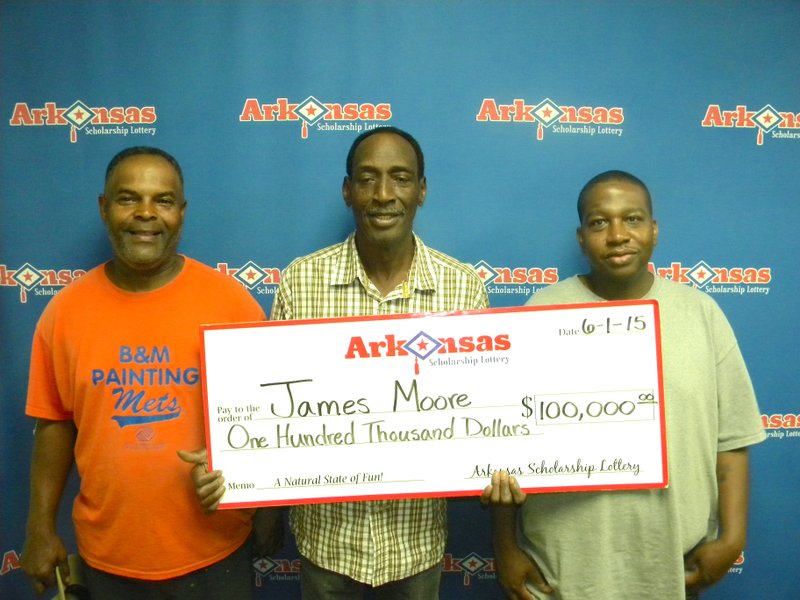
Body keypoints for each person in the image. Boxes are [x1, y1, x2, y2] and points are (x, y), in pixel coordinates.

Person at [191, 126, 489, 598]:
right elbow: (270, 407)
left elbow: (484, 409)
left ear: (422, 190)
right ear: (347, 191)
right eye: (367, 179)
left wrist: (502, 462)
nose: (384, 194)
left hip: (415, 542)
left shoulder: (463, 288)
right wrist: (261, 500)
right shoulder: (301, 281)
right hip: (328, 542)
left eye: (401, 178)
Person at [485, 170, 765, 599]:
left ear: (654, 231)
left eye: (632, 219)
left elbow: (732, 439)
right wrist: (504, 546)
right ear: (581, 237)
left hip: (670, 567)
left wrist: (732, 539)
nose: (617, 235)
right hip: (559, 570)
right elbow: (506, 445)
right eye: (600, 222)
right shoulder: (541, 311)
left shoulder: (701, 313)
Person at [20, 147, 269, 599]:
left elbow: (271, 420)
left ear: (182, 211)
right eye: (128, 199)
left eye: (164, 201)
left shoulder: (232, 306)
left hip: (215, 554)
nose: (146, 215)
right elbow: (54, 422)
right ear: (103, 207)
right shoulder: (64, 313)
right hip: (108, 556)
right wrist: (40, 526)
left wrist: (246, 482)